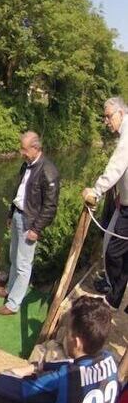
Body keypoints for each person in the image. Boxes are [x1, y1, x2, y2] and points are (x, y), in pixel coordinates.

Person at [0, 131, 59, 316]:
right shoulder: (26, 165)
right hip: (18, 214)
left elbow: (50, 206)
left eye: (24, 149)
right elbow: (19, 192)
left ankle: (13, 304)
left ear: (36, 148)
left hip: (30, 221)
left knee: (24, 264)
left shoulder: (49, 171)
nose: (21, 152)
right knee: (14, 255)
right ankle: (9, 289)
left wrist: (36, 228)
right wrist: (11, 213)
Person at [83, 97, 128, 312]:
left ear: (121, 113)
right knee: (120, 253)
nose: (106, 121)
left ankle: (113, 296)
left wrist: (96, 190)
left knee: (112, 251)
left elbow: (117, 165)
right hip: (125, 205)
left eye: (109, 116)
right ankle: (114, 296)